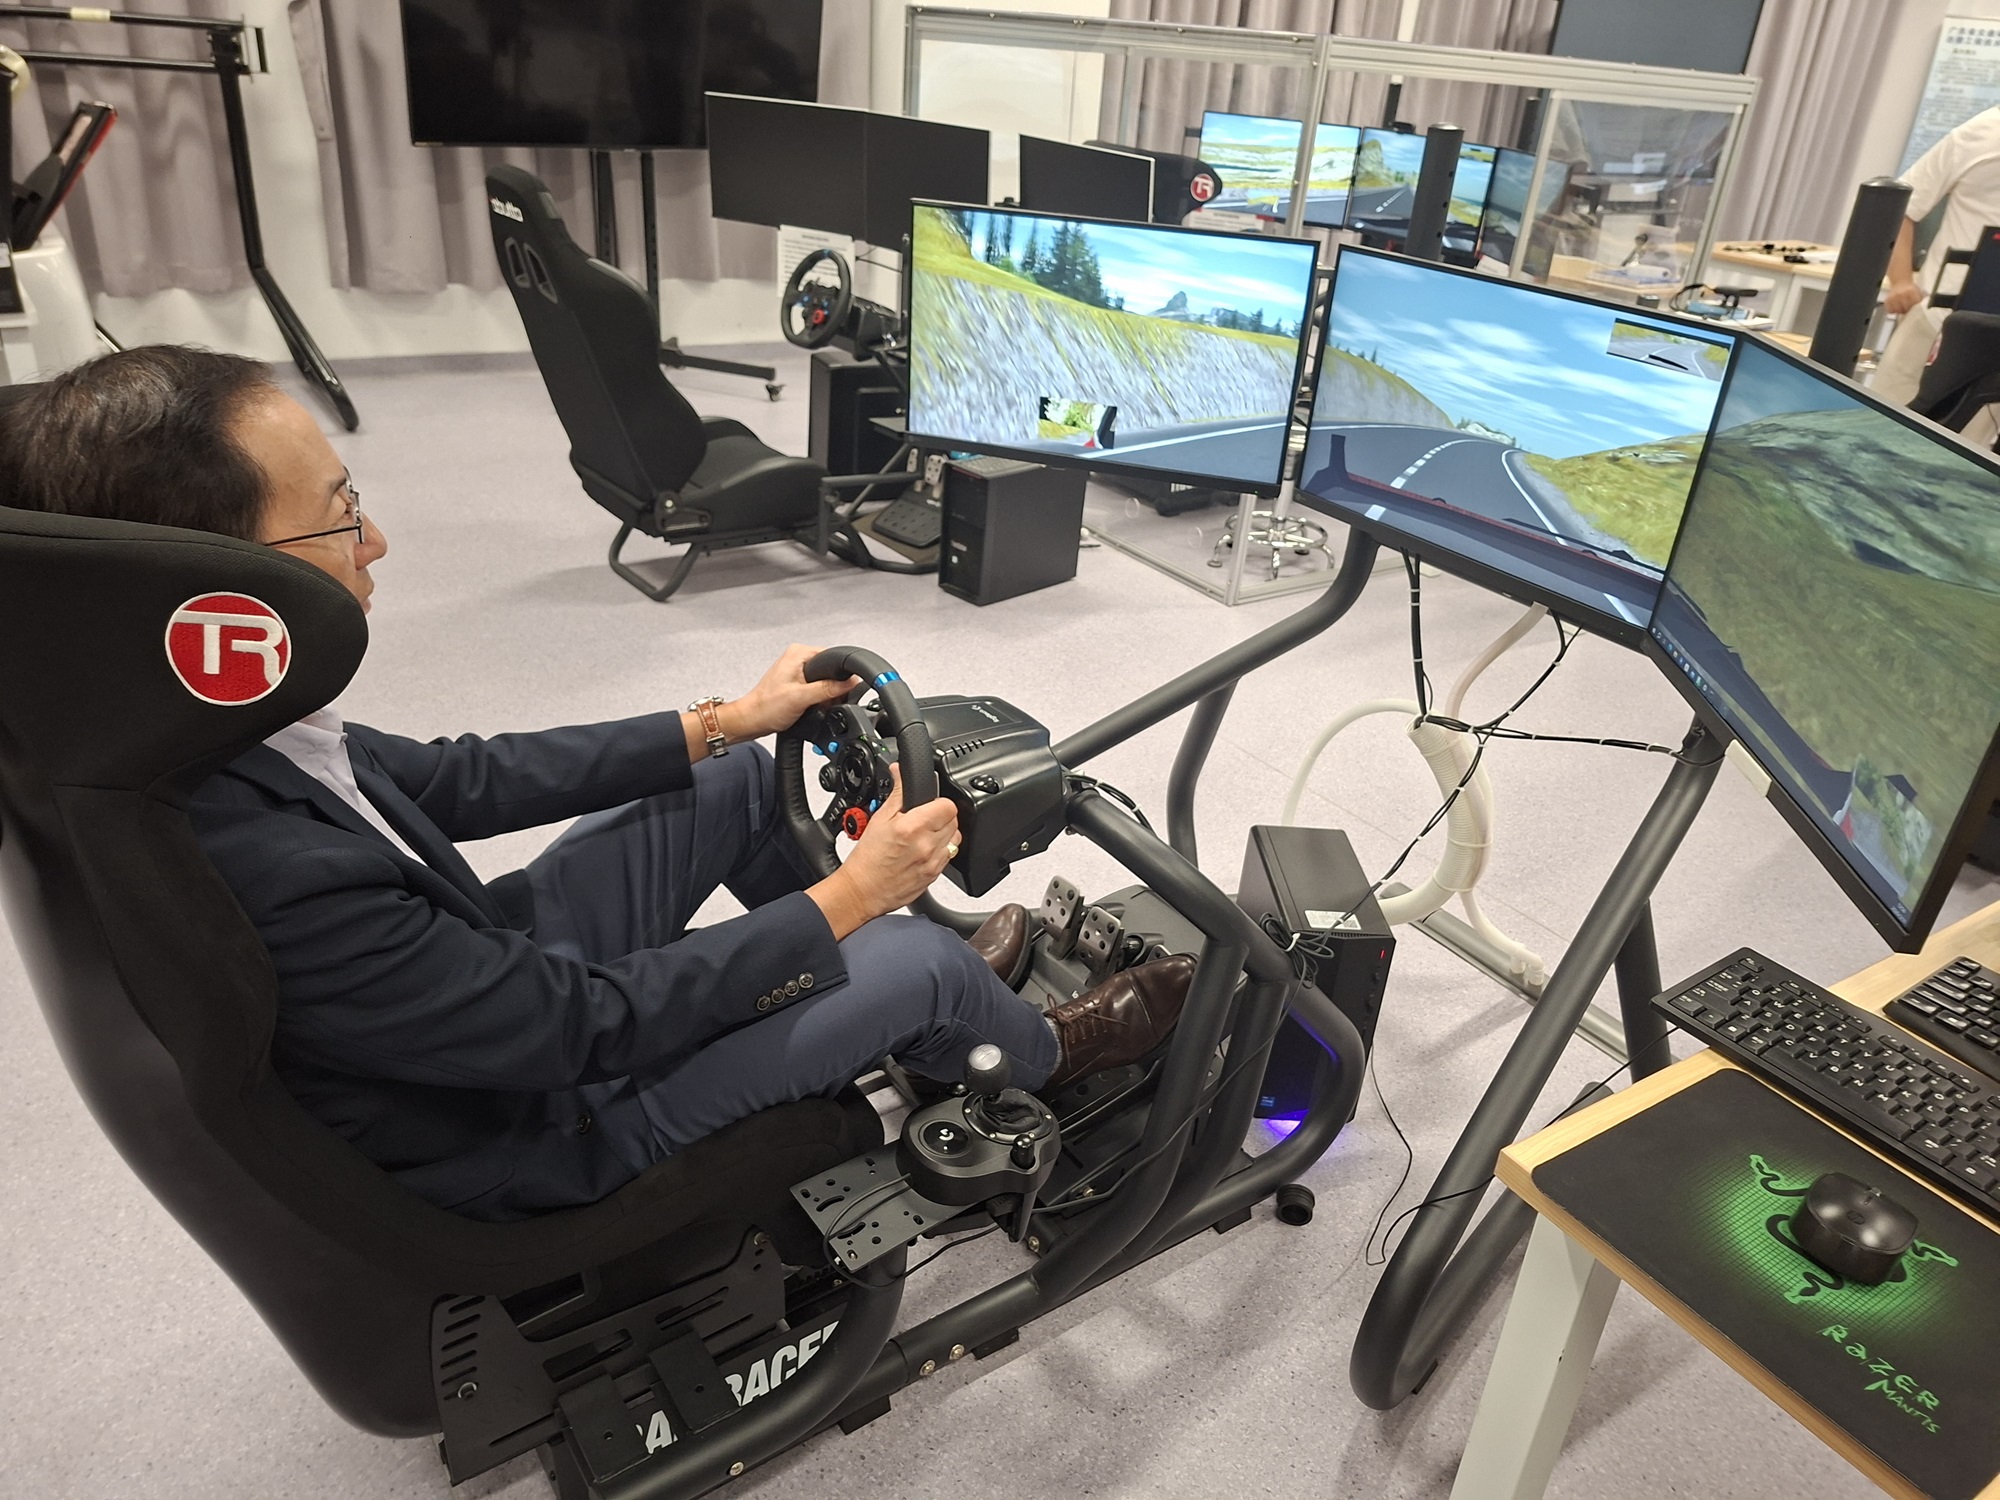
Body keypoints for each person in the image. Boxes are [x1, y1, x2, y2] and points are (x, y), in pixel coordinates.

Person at [0, 346, 1193, 1221]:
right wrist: (851, 902)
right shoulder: (265, 862)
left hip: (480, 1001)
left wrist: (724, 720)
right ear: (216, 589)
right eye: (338, 514)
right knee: (909, 959)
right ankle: (1039, 1052)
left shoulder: (200, 729)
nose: (375, 544)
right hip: (539, 1123)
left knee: (732, 783)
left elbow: (451, 779)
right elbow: (582, 1029)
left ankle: (925, 1011)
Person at [1876, 105, 2000, 404]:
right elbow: (1900, 208)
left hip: (1993, 341)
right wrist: (1901, 280)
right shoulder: (1981, 133)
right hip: (1935, 324)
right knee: (1883, 421)